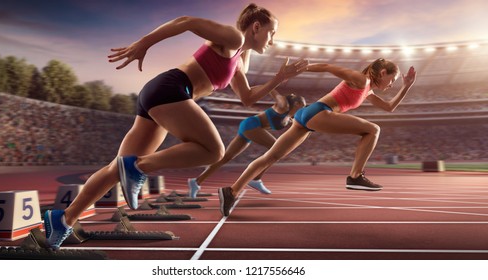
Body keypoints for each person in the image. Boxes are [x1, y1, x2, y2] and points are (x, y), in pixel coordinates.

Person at [42, 3, 307, 249]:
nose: (273, 41)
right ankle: (138, 167)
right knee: (213, 151)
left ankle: (62, 220)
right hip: (172, 89)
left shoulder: (240, 58)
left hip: (161, 95)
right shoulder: (233, 38)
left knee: (116, 167)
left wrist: (278, 79)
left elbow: (247, 98)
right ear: (256, 27)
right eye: (271, 33)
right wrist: (144, 43)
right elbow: (186, 21)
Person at [219, 58, 417, 216]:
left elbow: (390, 107)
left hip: (305, 116)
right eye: (392, 80)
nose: (392, 84)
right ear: (383, 73)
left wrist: (406, 86)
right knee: (373, 129)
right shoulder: (361, 79)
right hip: (318, 111)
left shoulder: (368, 91)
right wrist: (298, 70)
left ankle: (231, 191)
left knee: (270, 157)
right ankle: (355, 176)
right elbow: (328, 66)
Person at [188, 90, 306, 197]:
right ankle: (256, 179)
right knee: (276, 149)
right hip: (252, 125)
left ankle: (196, 182)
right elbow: (274, 91)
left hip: (250, 128)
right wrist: (254, 89)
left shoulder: (289, 117)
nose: (303, 110)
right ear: (296, 104)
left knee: (226, 157)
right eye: (302, 107)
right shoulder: (283, 106)